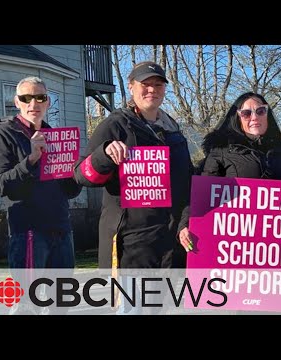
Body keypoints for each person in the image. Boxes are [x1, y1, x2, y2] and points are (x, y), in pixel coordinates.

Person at [74, 61, 193, 313]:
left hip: (168, 246)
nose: (152, 90)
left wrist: (185, 222)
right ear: (131, 87)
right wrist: (104, 155)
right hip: (132, 246)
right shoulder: (116, 124)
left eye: (158, 85)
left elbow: (186, 186)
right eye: (145, 84)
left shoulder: (175, 132)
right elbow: (81, 175)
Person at [178, 91, 281, 254]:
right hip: (234, 246)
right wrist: (185, 224)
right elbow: (201, 195)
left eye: (260, 111)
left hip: (276, 248)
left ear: (267, 115)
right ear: (238, 118)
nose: (254, 117)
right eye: (246, 113)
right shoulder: (220, 152)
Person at [0, 76, 82, 314]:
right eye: (26, 98)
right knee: (25, 306)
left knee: (61, 304)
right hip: (29, 231)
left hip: (62, 229)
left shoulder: (57, 137)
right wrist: (30, 160)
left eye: (40, 97)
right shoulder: (5, 133)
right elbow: (1, 185)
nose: (34, 103)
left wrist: (74, 173)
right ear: (17, 102)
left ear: (48, 102)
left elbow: (70, 191)